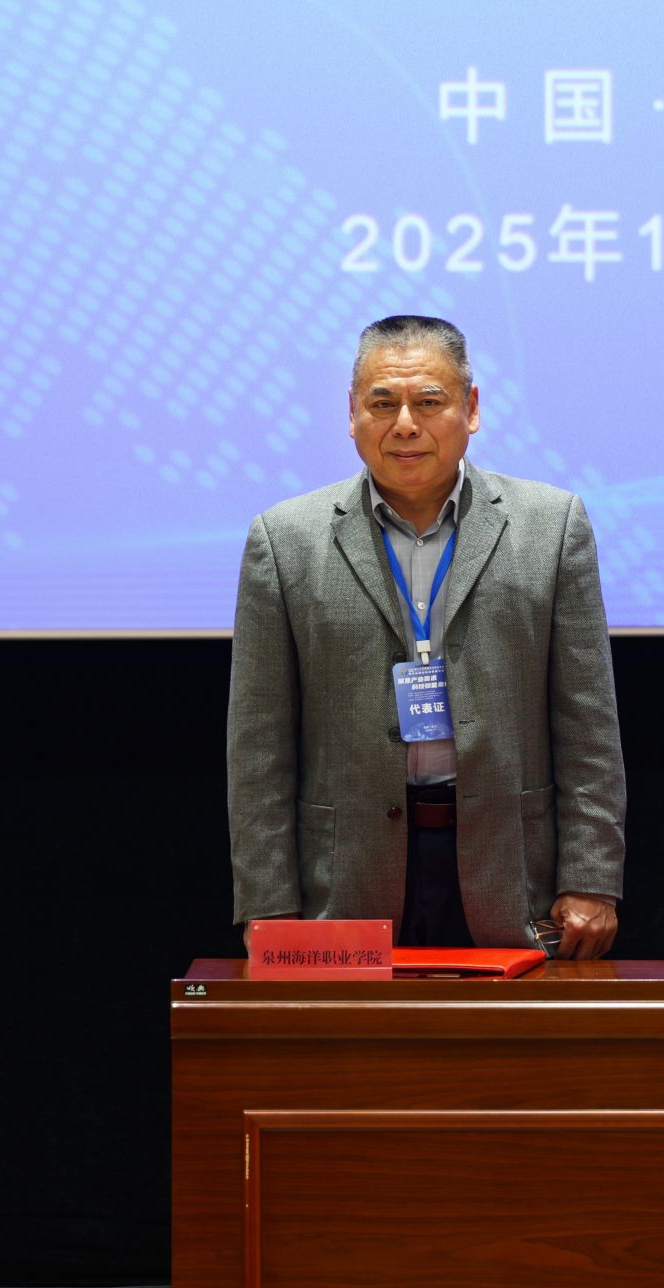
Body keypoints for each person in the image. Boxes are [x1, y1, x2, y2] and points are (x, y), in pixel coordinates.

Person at [227, 315, 625, 957]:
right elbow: (259, 744)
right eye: (383, 403)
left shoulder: (550, 526)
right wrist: (269, 902)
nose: (405, 424)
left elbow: (588, 726)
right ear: (352, 413)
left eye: (429, 402)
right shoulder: (284, 540)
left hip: (511, 872)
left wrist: (591, 877)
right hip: (344, 877)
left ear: (471, 408)